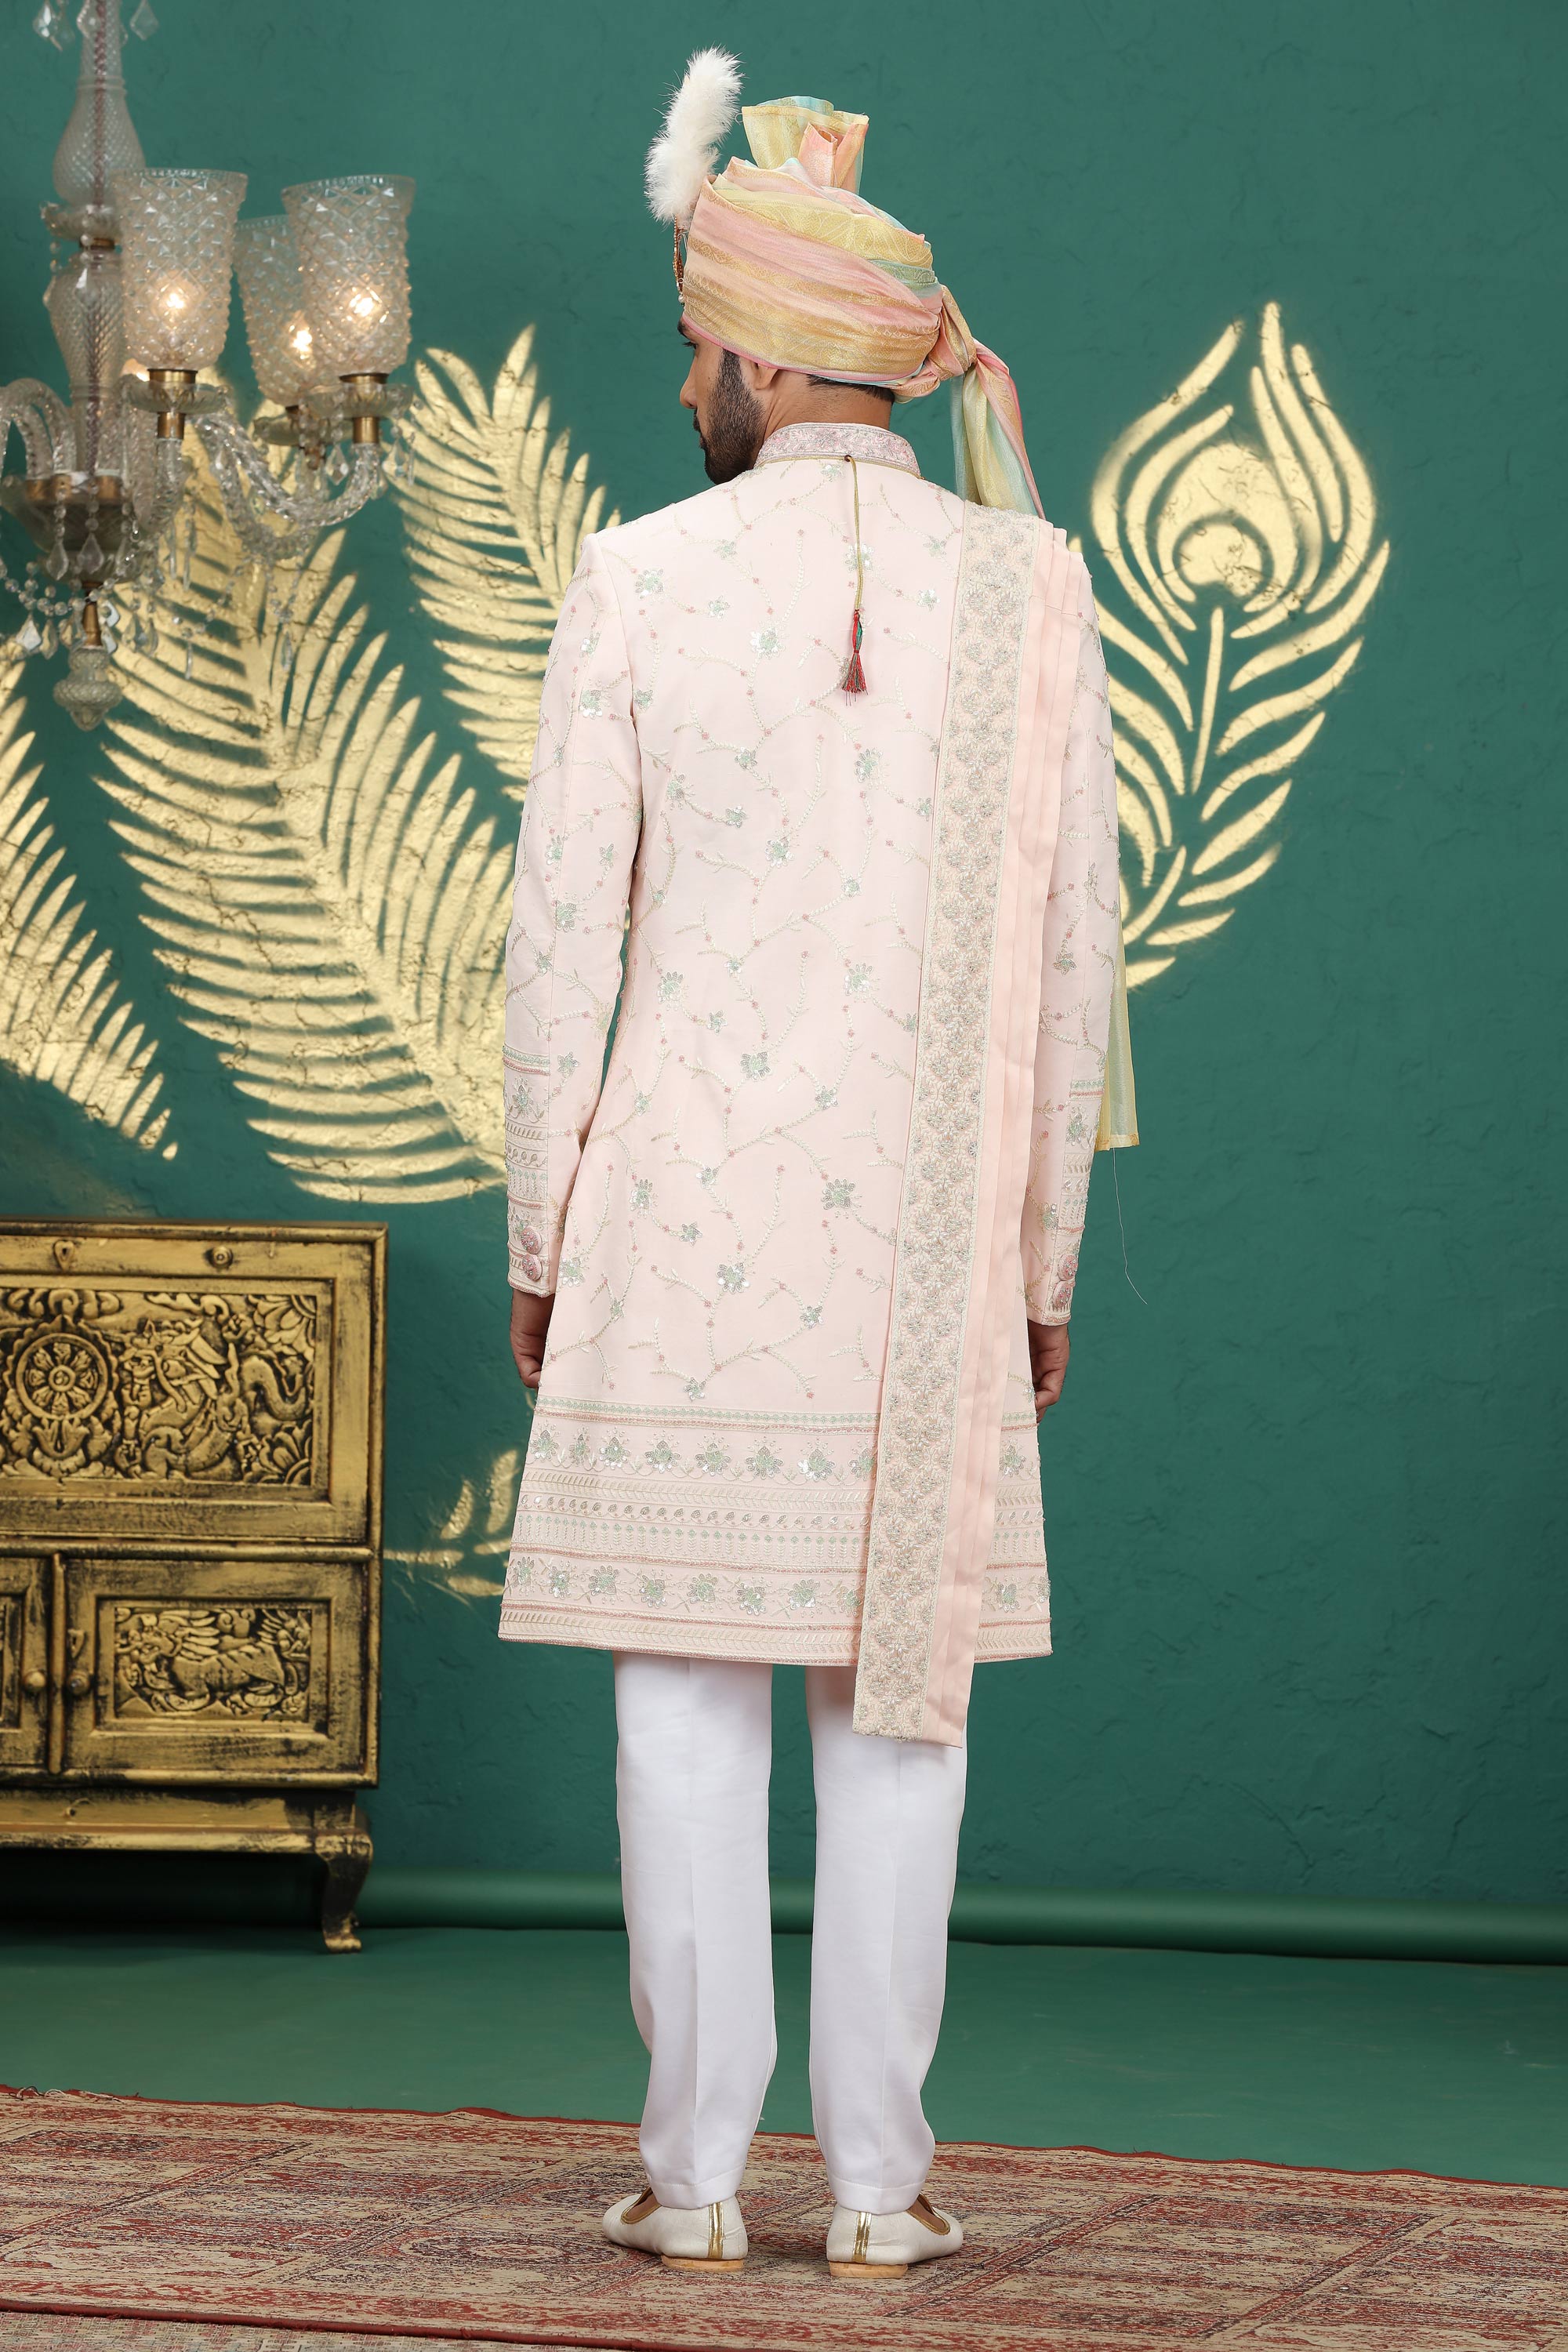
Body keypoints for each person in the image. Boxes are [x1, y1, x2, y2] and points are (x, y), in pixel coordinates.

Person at [500, 53, 1136, 2280]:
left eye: (700, 344)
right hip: (927, 1245)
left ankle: (691, 2187)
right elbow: (1075, 956)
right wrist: (1045, 1259)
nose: (687, 379)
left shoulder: (638, 575)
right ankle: (877, 2192)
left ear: (770, 360)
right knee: (900, 1717)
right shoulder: (1031, 584)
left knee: (680, 1717)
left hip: (675, 1230)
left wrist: (540, 1233)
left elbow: (562, 942)